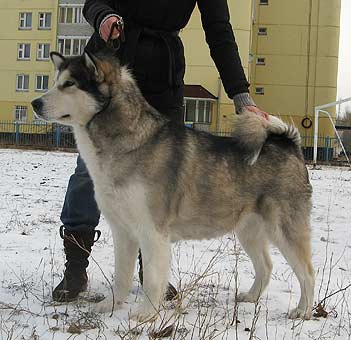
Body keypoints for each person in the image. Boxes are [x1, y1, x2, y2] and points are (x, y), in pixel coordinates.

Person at [52, 0, 269, 302]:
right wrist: (104, 16)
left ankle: (150, 273)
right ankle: (75, 266)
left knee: (161, 182)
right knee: (87, 175)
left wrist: (240, 94)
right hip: (111, 71)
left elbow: (219, 30)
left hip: (163, 76)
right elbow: (93, 2)